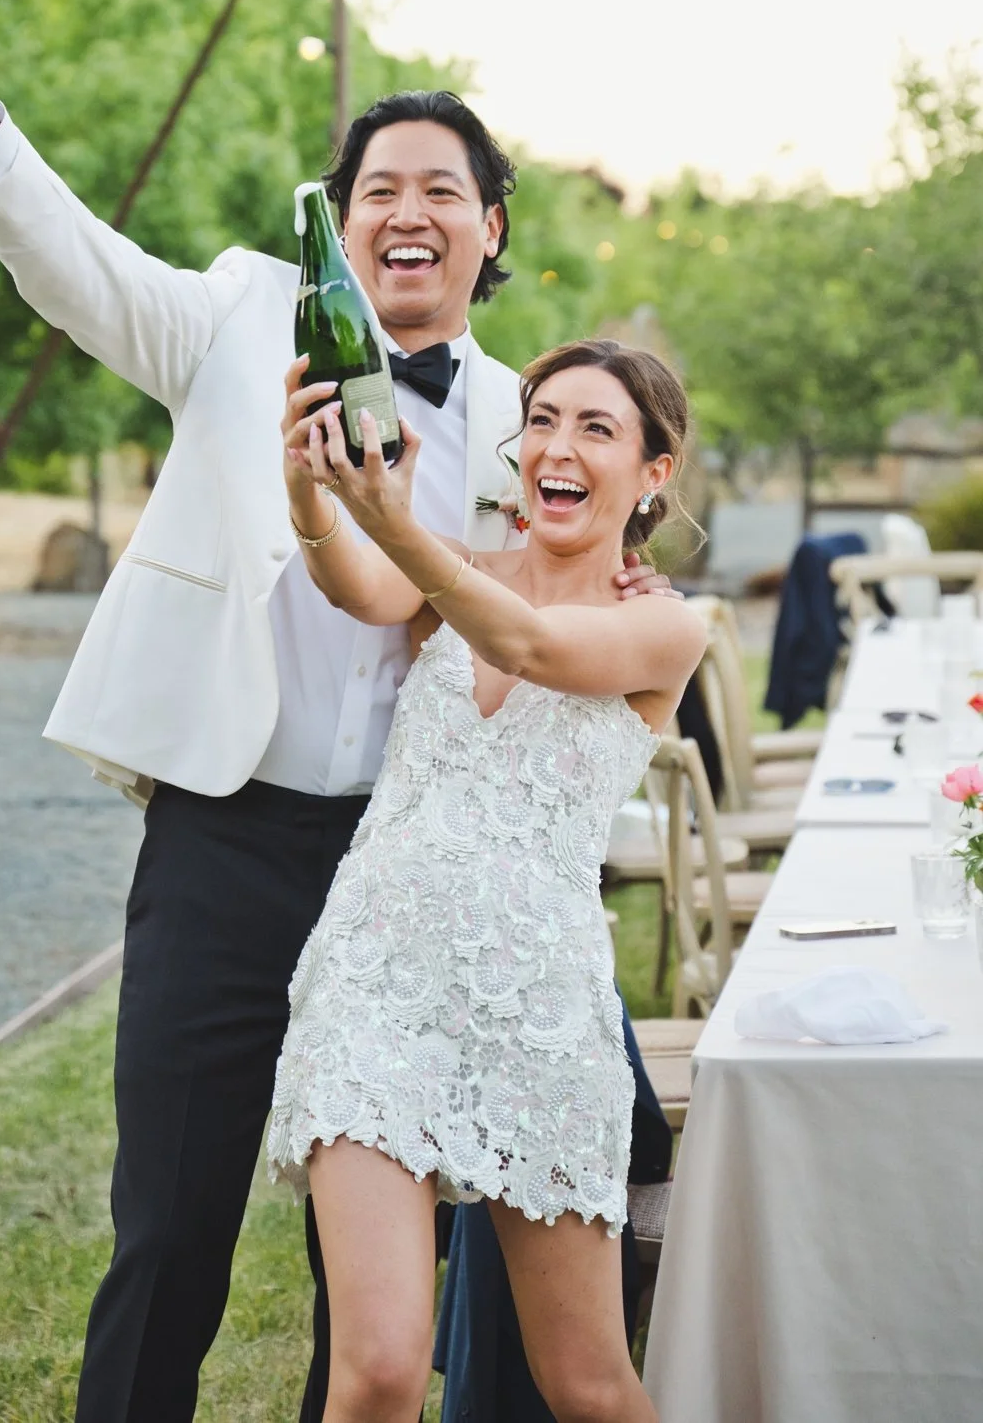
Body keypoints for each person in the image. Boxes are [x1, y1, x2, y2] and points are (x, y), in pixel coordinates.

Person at [0, 5, 675, 1423]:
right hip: (223, 837)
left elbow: (569, 600)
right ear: (341, 224)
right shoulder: (246, 316)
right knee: (169, 1225)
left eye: (442, 191)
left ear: (493, 228)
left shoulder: (525, 426)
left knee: (367, 1289)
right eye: (378, 191)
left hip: (405, 869)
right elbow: (84, 273)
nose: (408, 213)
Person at [269, 338, 706, 1423]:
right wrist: (307, 492)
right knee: (372, 1369)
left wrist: (400, 526)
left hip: (538, 1012)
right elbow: (357, 582)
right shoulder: (453, 569)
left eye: (595, 429)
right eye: (543, 420)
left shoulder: (663, 623)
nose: (557, 447)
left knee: (588, 1384)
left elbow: (534, 644)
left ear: (653, 473)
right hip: (375, 982)